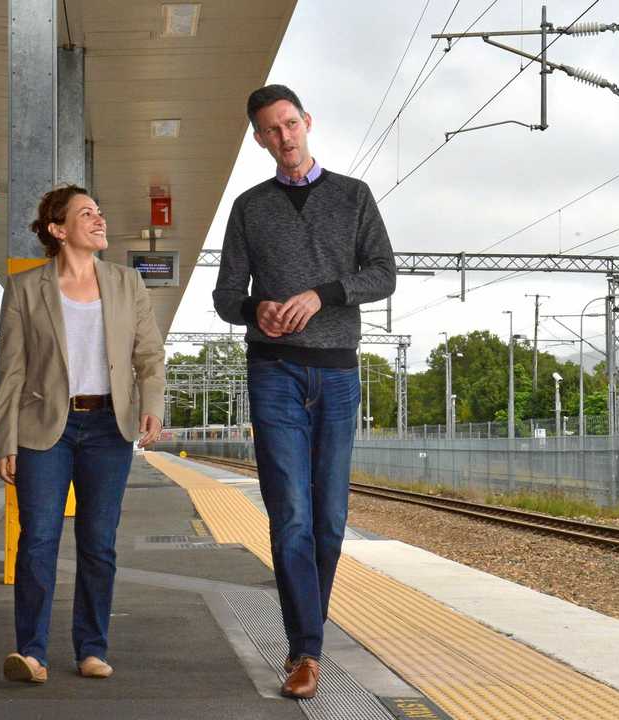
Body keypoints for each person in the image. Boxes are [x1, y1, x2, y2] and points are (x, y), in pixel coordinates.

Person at [213, 84, 397, 699]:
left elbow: (384, 274)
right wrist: (254, 309)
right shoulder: (248, 207)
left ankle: (307, 639)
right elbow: (223, 297)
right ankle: (306, 652)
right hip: (274, 372)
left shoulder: (354, 196)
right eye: (271, 130)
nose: (284, 137)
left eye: (291, 124)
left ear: (307, 122)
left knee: (330, 520)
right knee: (290, 513)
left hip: (339, 374)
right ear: (258, 138)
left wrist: (324, 294)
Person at [0, 185, 166, 683]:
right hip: (45, 427)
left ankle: (91, 648)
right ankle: (32, 654)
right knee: (39, 539)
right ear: (58, 229)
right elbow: (11, 371)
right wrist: (4, 438)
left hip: (109, 428)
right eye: (86, 213)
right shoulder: (25, 288)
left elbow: (148, 356)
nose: (99, 219)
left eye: (99, 211)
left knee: (98, 542)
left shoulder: (127, 283)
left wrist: (151, 405)